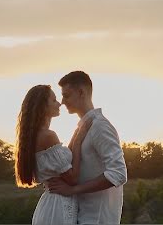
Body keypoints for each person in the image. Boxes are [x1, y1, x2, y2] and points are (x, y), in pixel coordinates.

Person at [45, 71, 128, 224]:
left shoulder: (100, 126)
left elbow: (119, 173)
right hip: (82, 215)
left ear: (81, 92)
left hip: (97, 219)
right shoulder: (82, 128)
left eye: (67, 95)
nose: (62, 101)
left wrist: (72, 190)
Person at [14, 84, 94, 225]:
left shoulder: (37, 136)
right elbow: (72, 178)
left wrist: (76, 136)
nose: (59, 103)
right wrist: (78, 141)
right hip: (58, 208)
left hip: (50, 205)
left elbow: (62, 162)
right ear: (43, 107)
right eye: (54, 100)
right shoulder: (48, 136)